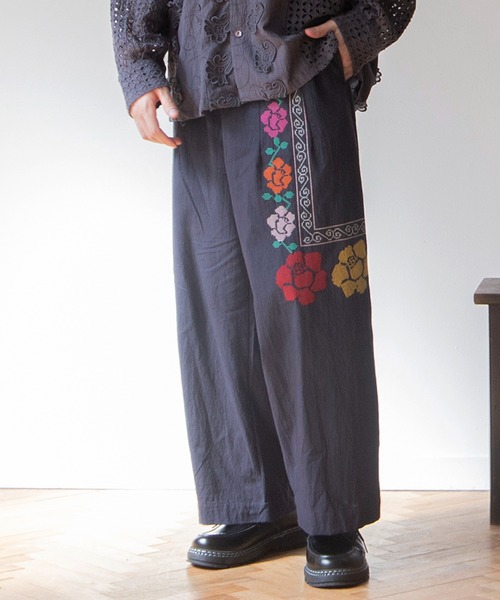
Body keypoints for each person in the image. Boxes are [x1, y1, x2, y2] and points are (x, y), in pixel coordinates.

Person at [111, 0, 415, 588]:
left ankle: (331, 514)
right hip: (201, 91)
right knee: (219, 305)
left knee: (313, 310)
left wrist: (357, 31)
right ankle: (257, 505)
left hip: (295, 79)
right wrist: (139, 68)